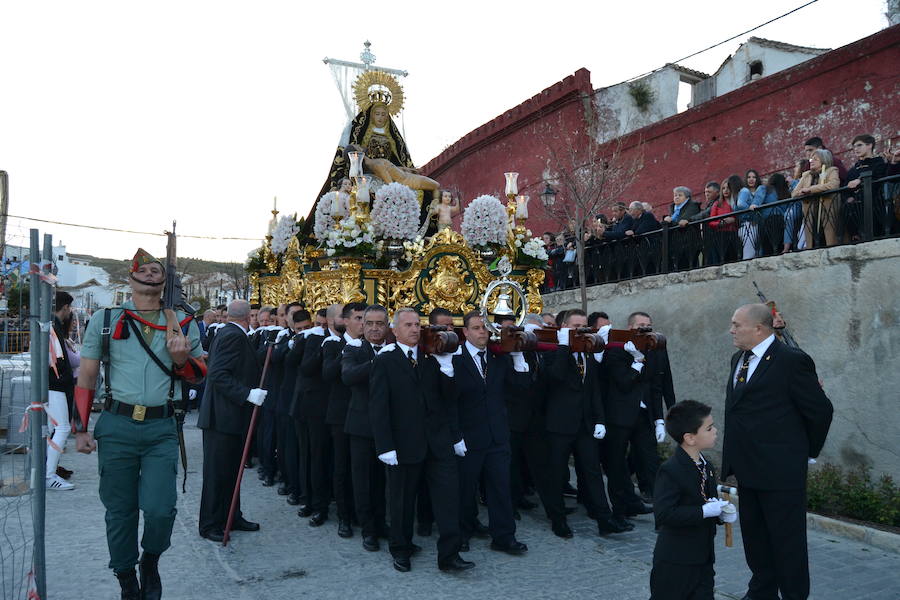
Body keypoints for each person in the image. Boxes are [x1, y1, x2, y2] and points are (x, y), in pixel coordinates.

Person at [72, 248, 206, 600]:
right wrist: (81, 428)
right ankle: (125, 574)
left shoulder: (183, 322)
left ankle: (151, 559)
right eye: (142, 270)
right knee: (120, 509)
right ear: (129, 279)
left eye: (155, 270)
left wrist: (181, 359)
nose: (149, 274)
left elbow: (200, 374)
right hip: (117, 426)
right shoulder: (105, 319)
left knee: (161, 508)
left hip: (162, 429)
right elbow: (86, 377)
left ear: (164, 281)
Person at [723, 303, 833, 600]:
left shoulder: (790, 360)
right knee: (756, 540)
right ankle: (761, 592)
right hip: (748, 469)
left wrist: (807, 452)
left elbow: (820, 410)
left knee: (787, 544)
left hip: (781, 471)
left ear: (759, 328)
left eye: (736, 324)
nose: (731, 330)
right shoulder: (739, 358)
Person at [369, 308, 473, 573]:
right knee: (402, 501)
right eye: (408, 325)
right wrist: (385, 446)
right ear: (395, 330)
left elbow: (450, 399)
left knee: (448, 498)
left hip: (438, 441)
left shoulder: (433, 356)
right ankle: (401, 549)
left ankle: (449, 555)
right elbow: (379, 406)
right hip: (404, 444)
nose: (415, 329)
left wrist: (447, 368)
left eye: (417, 324)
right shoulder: (385, 360)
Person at [453, 311, 529, 556]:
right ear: (465, 332)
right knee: (465, 490)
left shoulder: (498, 359)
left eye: (485, 328)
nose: (482, 332)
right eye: (476, 328)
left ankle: (504, 536)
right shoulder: (455, 359)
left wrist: (518, 359)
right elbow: (449, 402)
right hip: (468, 437)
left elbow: (519, 390)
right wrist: (456, 436)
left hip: (497, 436)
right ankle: (462, 534)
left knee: (500, 489)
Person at [543, 309, 621, 538]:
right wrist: (564, 346)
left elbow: (594, 389)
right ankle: (558, 520)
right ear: (564, 328)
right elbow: (555, 377)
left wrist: (600, 420)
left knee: (592, 472)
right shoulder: (553, 352)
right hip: (559, 425)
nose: (581, 330)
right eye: (575, 326)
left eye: (584, 326)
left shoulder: (587, 353)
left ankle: (605, 519)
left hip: (585, 424)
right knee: (557, 474)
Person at [649, 400, 735, 600]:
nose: (715, 431)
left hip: (703, 557)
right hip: (675, 560)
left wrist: (722, 514)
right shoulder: (671, 470)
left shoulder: (707, 466)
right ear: (690, 438)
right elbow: (664, 514)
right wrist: (705, 511)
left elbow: (708, 500)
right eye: (709, 428)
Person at [197, 299, 265, 543]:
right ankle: (210, 524)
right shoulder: (233, 335)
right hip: (222, 417)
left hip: (231, 417)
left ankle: (231, 516)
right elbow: (218, 374)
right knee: (218, 473)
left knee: (231, 472)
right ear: (249, 317)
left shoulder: (230, 332)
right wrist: (247, 393)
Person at [342, 304, 390, 551]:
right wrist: (379, 360)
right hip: (361, 426)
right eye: (369, 323)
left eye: (379, 323)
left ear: (386, 325)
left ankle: (382, 524)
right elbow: (348, 376)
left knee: (385, 481)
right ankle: (368, 529)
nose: (373, 328)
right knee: (363, 481)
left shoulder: (395, 350)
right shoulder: (354, 349)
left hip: (389, 427)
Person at [322, 302, 367, 538]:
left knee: (364, 468)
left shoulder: (372, 347)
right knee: (342, 466)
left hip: (366, 415)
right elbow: (328, 373)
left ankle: (364, 513)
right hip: (341, 414)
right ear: (346, 321)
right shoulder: (334, 345)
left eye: (365, 319)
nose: (363, 323)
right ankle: (344, 516)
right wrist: (347, 352)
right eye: (358, 318)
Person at [299, 304, 344, 527]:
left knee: (341, 460)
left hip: (343, 409)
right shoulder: (316, 339)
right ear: (331, 320)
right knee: (318, 457)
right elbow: (306, 368)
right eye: (342, 317)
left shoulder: (354, 341)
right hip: (318, 407)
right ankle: (318, 505)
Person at [46, 291, 76, 490]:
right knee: (62, 428)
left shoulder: (49, 326)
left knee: (52, 429)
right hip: (56, 385)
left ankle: (48, 471)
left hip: (51, 384)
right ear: (65, 307)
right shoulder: (52, 327)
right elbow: (58, 362)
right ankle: (48, 476)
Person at [842, 134, 889, 240]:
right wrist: (848, 198)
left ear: (870, 145)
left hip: (875, 208)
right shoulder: (853, 169)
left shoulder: (879, 163)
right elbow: (845, 188)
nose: (856, 149)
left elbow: (878, 178)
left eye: (859, 145)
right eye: (854, 146)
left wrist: (860, 180)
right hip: (855, 214)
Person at [792, 149, 841, 248]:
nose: (811, 161)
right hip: (810, 213)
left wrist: (811, 189)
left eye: (815, 159)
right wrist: (801, 192)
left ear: (824, 160)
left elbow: (833, 185)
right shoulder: (806, 175)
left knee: (827, 239)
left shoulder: (831, 171)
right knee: (812, 241)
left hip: (826, 210)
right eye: (811, 159)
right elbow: (794, 193)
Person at [736, 169, 768, 260]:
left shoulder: (760, 190)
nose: (751, 179)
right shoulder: (744, 190)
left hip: (757, 223)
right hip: (747, 224)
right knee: (749, 254)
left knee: (758, 253)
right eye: (749, 177)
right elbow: (740, 204)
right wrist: (750, 210)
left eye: (754, 177)